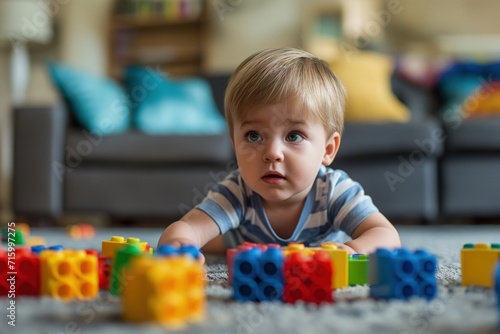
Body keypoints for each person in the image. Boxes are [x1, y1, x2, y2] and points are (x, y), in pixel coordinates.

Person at [158, 48, 400, 262]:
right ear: (235, 144)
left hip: (312, 253)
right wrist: (180, 245)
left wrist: (351, 250)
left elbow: (386, 235)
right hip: (243, 242)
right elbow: (189, 227)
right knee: (215, 239)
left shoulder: (334, 191)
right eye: (253, 136)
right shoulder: (237, 191)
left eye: (294, 136)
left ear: (327, 150)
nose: (272, 153)